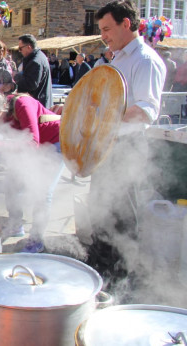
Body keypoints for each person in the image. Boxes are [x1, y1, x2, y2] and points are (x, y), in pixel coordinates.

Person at [87, 0, 166, 286]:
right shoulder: (118, 58)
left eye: (107, 28)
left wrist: (102, 120)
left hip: (127, 146)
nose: (104, 35)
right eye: (101, 30)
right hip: (107, 145)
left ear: (126, 24)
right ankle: (99, 264)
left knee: (121, 215)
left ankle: (120, 278)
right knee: (100, 208)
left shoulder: (144, 59)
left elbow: (145, 110)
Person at [0, 87, 63, 253]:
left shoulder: (22, 105)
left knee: (43, 192)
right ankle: (16, 225)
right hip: (29, 147)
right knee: (11, 185)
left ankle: (36, 240)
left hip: (54, 142)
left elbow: (32, 143)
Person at [15, 34, 52, 108]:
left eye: (20, 48)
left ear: (28, 47)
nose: (19, 51)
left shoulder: (35, 61)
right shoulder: (39, 56)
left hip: (38, 104)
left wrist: (16, 78)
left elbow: (31, 85)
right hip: (41, 101)